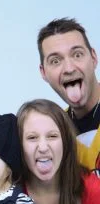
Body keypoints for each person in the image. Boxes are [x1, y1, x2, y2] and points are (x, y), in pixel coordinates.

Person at [37, 18, 100, 175]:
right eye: (55, 61)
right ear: (43, 72)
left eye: (77, 55)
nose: (69, 68)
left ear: (93, 58)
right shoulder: (53, 133)